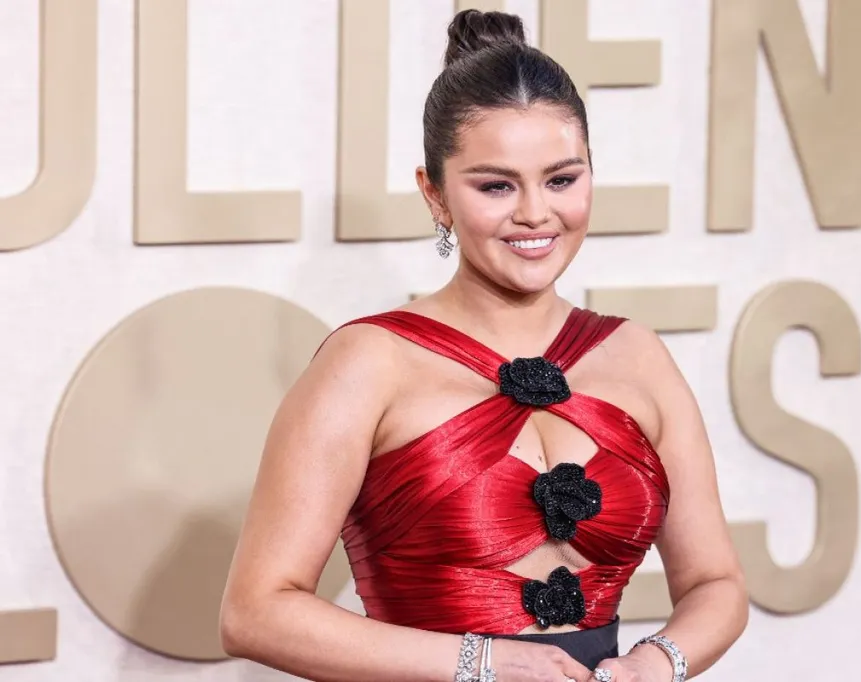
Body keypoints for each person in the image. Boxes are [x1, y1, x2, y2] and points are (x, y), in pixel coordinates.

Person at [220, 9, 748, 682]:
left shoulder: (638, 356)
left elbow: (716, 584)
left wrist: (656, 662)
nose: (534, 213)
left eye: (561, 179)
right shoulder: (367, 364)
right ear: (434, 194)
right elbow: (254, 611)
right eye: (495, 186)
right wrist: (481, 663)